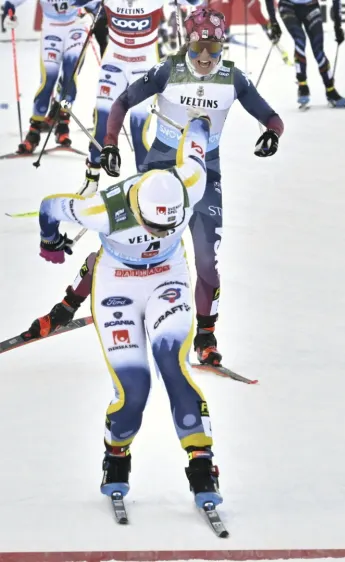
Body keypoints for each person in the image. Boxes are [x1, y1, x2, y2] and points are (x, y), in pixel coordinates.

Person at [22, 6, 285, 368]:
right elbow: (121, 102)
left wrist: (272, 134)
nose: (204, 57)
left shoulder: (233, 78)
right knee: (125, 244)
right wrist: (110, 143)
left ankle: (206, 337)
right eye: (197, 48)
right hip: (159, 173)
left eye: (212, 49)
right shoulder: (168, 69)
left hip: (204, 176)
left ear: (222, 46)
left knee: (207, 262)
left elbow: (271, 117)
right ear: (186, 43)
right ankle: (66, 308)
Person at [35, 114, 223, 508]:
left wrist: (200, 121)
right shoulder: (102, 209)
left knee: (172, 363)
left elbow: (197, 138)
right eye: (154, 227)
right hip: (116, 282)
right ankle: (116, 455)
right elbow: (50, 206)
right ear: (137, 209)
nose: (159, 234)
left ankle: (202, 461)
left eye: (168, 227)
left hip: (167, 277)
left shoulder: (190, 181)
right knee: (134, 387)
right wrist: (49, 240)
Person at [83, 0, 202, 190]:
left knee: (138, 130)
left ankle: (145, 189)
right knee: (102, 125)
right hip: (114, 63)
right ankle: (90, 181)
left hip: (143, 66)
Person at [2, 0, 90, 153]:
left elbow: (100, 4)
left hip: (76, 27)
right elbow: (11, 3)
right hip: (52, 29)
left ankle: (63, 124)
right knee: (48, 80)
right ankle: (34, 131)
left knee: (70, 78)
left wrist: (92, 13)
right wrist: (8, 13)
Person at [263, 0, 345, 107]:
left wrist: (338, 26)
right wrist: (273, 22)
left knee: (318, 49)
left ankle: (331, 90)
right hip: (287, 6)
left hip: (311, 6)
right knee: (300, 40)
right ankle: (302, 85)